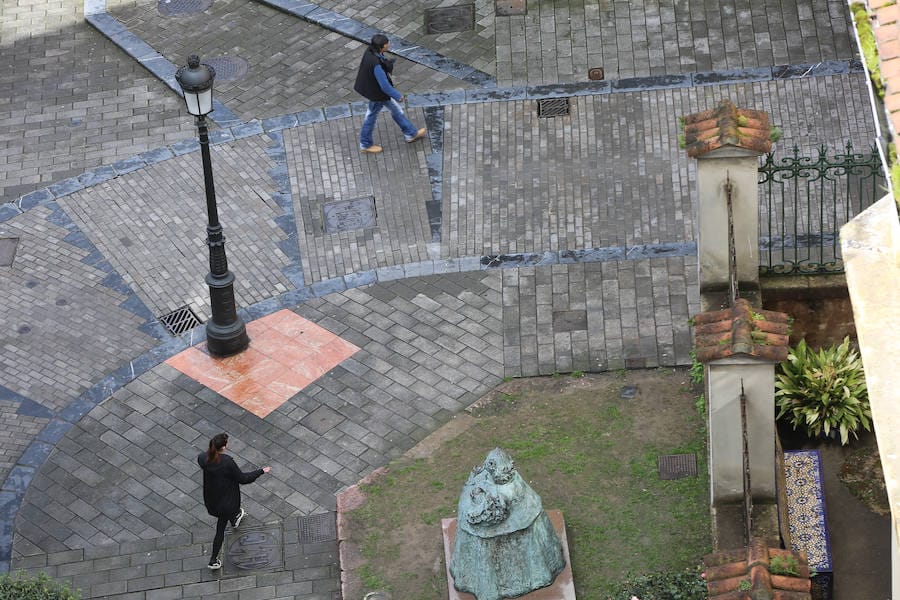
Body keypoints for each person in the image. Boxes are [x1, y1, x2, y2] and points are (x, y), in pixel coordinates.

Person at [197, 433, 270, 570]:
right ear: (223, 447)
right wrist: (260, 471)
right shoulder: (227, 462)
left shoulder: (202, 458)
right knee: (220, 529)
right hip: (226, 502)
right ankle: (213, 560)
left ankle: (235, 518)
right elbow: (243, 478)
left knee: (231, 514)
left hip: (212, 499)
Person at [354, 34, 427, 154]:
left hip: (373, 89)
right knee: (371, 116)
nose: (389, 45)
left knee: (395, 110)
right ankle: (365, 144)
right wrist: (397, 95)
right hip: (377, 94)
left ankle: (410, 133)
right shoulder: (376, 64)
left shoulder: (370, 51)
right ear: (381, 47)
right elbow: (384, 86)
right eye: (387, 43)